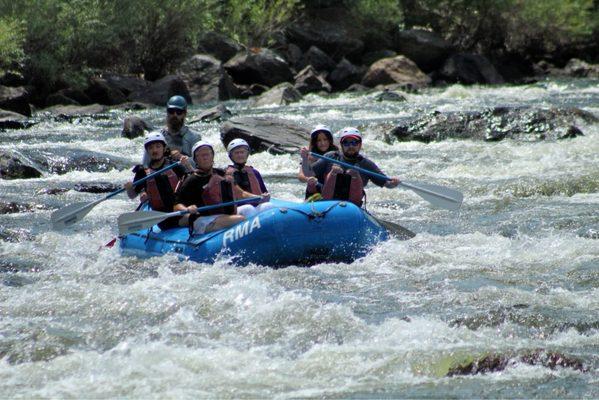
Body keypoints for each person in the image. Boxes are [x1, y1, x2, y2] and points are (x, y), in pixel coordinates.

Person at [174, 141, 264, 235]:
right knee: (240, 219)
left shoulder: (222, 173)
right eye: (200, 155)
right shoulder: (192, 180)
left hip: (224, 215)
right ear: (195, 159)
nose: (205, 157)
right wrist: (187, 209)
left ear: (212, 156)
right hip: (203, 219)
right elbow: (176, 205)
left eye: (207, 154)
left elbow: (241, 193)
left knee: (248, 209)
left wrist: (259, 197)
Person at [300, 127, 400, 206]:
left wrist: (393, 183)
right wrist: (304, 158)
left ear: (360, 145)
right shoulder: (331, 156)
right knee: (331, 173)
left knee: (355, 174)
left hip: (352, 205)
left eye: (354, 142)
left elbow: (387, 183)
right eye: (346, 143)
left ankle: (355, 175)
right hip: (327, 200)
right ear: (342, 145)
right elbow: (308, 173)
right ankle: (334, 173)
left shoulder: (366, 164)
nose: (350, 146)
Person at [125, 132, 191, 230]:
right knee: (194, 218)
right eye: (151, 148)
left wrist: (188, 166)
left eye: (158, 146)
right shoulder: (143, 172)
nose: (155, 150)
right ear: (147, 151)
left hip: (180, 209)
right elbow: (132, 195)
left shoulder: (175, 165)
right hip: (162, 217)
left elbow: (195, 181)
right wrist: (129, 188)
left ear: (164, 149)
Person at [142, 95, 200, 168]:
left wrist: (181, 157)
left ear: (184, 114)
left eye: (179, 112)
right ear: (167, 112)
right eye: (171, 111)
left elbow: (200, 164)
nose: (174, 115)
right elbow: (145, 164)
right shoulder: (155, 137)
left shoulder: (194, 137)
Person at [225, 138, 275, 216]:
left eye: (242, 152)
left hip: (255, 206)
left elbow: (264, 192)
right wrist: (258, 197)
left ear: (247, 154)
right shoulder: (227, 174)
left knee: (268, 206)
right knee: (248, 209)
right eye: (236, 153)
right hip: (237, 209)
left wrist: (265, 196)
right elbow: (240, 194)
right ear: (231, 156)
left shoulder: (254, 172)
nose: (240, 155)